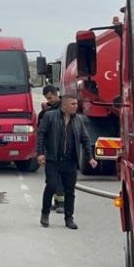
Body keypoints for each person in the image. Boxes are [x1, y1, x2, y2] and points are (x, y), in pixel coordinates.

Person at [36, 94, 97, 229]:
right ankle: (45, 213)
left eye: (76, 104)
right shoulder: (50, 117)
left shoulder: (78, 121)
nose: (76, 106)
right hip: (53, 160)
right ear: (64, 106)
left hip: (70, 162)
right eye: (73, 104)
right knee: (51, 186)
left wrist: (90, 157)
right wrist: (40, 153)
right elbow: (41, 134)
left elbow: (85, 140)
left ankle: (69, 218)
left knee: (70, 190)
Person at [38, 85, 64, 213]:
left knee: (59, 177)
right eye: (47, 98)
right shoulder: (47, 111)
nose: (49, 100)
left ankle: (62, 203)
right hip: (50, 148)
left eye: (50, 97)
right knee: (51, 178)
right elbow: (41, 130)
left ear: (56, 93)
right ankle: (56, 201)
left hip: (60, 148)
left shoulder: (63, 109)